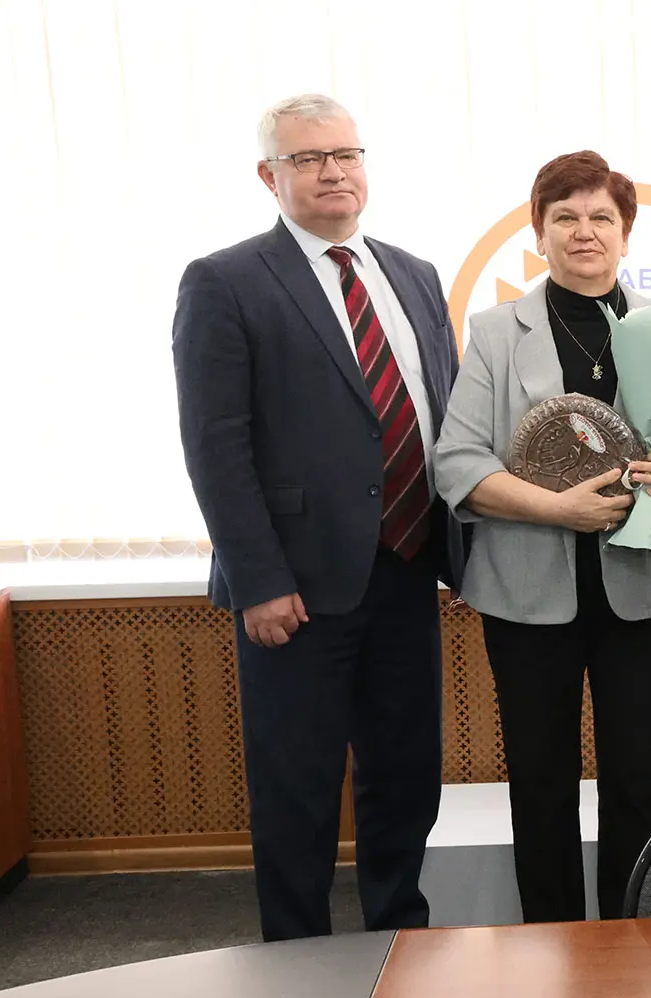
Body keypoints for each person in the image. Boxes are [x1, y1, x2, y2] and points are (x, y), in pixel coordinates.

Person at [174, 94, 461, 941]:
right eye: (309, 158)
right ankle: (294, 965)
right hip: (294, 590)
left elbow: (440, 415)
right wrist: (259, 581)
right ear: (270, 176)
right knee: (297, 791)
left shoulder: (412, 274)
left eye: (347, 154)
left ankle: (398, 944)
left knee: (406, 778)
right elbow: (215, 447)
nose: (334, 171)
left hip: (408, 568)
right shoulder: (225, 281)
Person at [434, 152, 651, 922]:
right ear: (539, 234)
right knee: (541, 785)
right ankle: (551, 952)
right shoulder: (497, 334)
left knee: (635, 784)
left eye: (602, 216)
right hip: (527, 596)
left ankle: (629, 946)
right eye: (564, 216)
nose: (584, 231)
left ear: (626, 234)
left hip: (643, 595)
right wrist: (555, 509)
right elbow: (457, 461)